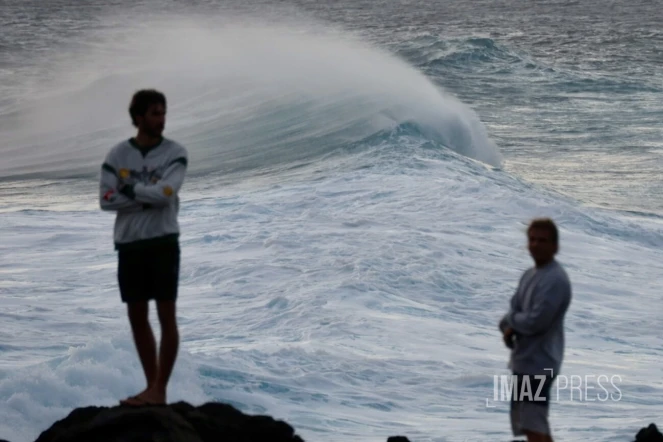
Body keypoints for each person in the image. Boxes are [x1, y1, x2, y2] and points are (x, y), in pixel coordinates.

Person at [99, 89, 188, 406]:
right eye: (154, 113)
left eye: (163, 112)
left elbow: (167, 193)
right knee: (137, 315)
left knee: (166, 315)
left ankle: (160, 389)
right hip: (129, 244)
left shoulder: (175, 152)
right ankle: (151, 387)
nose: (161, 119)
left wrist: (130, 190)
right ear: (138, 117)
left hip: (163, 241)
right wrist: (147, 198)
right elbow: (105, 201)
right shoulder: (118, 155)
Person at [498, 218, 572, 442]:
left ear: (555, 246)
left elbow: (535, 322)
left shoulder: (555, 280)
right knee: (528, 423)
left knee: (533, 423)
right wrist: (511, 323)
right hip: (524, 361)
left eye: (542, 240)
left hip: (539, 364)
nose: (536, 245)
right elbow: (515, 310)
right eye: (532, 239)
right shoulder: (529, 275)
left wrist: (512, 322)